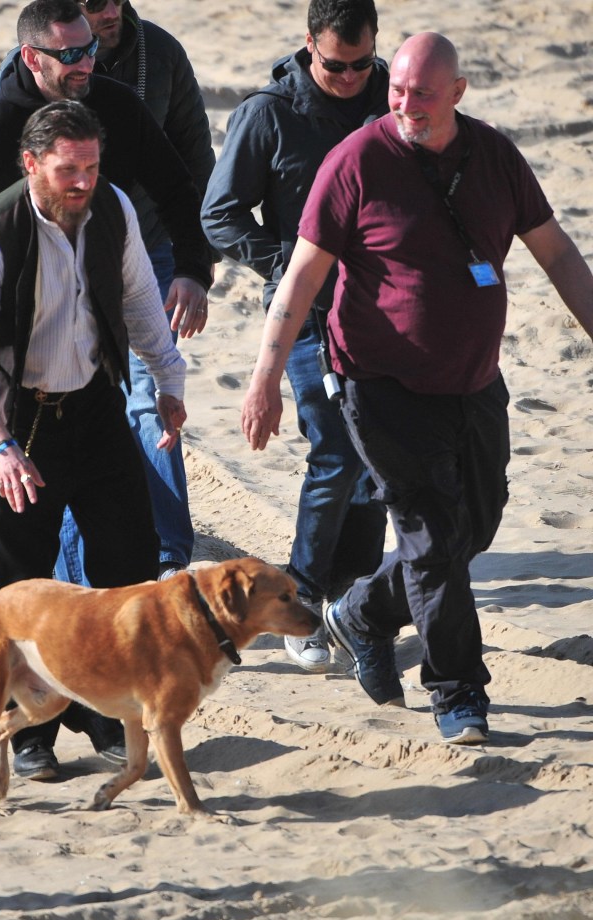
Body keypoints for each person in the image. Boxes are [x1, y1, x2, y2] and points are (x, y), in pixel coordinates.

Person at [240, 33, 593, 744]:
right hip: (380, 384)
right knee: (432, 537)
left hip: (473, 380)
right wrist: (265, 377)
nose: (405, 105)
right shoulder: (357, 162)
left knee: (476, 525)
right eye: (395, 89)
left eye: (422, 93)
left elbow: (557, 253)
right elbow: (302, 277)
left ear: (457, 93)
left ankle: (364, 612)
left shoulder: (494, 157)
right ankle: (458, 690)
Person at [0, 0, 213, 604]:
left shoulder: (113, 108)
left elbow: (175, 186)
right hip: (20, 385)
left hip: (98, 326)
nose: (85, 62)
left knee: (125, 550)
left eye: (89, 48)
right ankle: (4, 589)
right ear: (31, 57)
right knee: (26, 563)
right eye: (69, 55)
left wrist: (195, 269)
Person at [0, 100, 187, 780]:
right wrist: (0, 447)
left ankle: (108, 716)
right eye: (67, 169)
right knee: (23, 584)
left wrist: (169, 384)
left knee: (128, 569)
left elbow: (140, 300)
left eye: (91, 166)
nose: (81, 181)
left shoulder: (111, 209)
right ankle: (29, 736)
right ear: (32, 165)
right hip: (19, 423)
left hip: (95, 407)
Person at [201, 0, 388, 674]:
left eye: (361, 63)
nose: (349, 76)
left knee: (378, 456)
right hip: (306, 315)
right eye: (336, 65)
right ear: (309, 44)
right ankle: (302, 596)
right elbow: (218, 214)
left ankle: (356, 595)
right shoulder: (268, 114)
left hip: (389, 310)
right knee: (336, 447)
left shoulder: (390, 99)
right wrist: (291, 264)